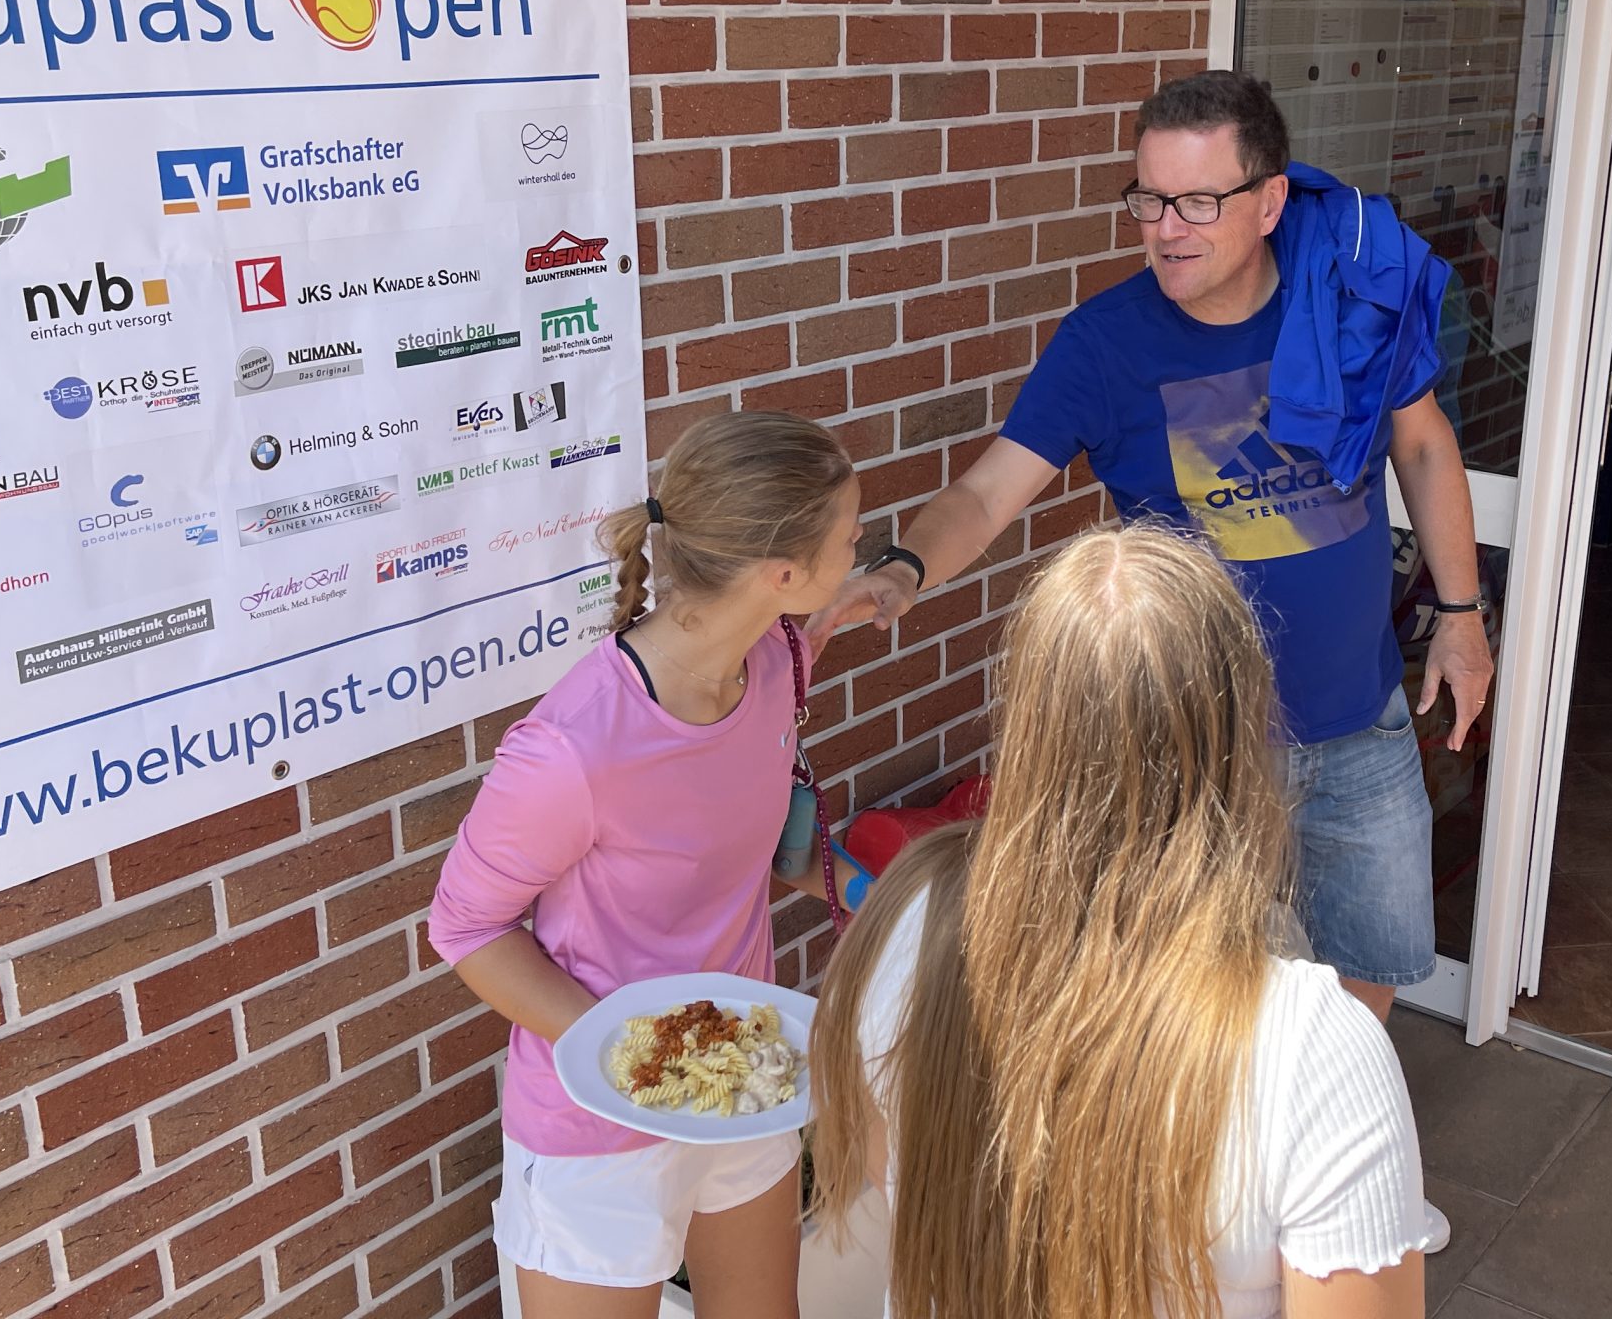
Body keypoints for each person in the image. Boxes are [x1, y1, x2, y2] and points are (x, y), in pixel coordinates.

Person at [812, 70, 1485, 1253]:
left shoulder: (1346, 296)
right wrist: (906, 568)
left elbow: (1423, 449)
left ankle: (1344, 1168)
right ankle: (1219, 1215)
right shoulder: (1106, 344)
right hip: (1201, 747)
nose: (1166, 228)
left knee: (1366, 967)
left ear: (1268, 202)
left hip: (1359, 716)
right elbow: (988, 491)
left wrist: (1464, 616)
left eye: (1197, 202)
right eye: (1147, 199)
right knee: (1209, 991)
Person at [807, 524, 1433, 1319]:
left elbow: (878, 1160)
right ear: (1243, 734)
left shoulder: (904, 913)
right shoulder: (1315, 1049)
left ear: (1028, 718)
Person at [426, 410, 860, 1319]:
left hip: (745, 1081)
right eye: (850, 536)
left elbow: (755, 829)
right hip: (598, 1128)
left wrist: (873, 891)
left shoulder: (777, 658)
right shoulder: (571, 750)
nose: (859, 546)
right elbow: (464, 926)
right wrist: (623, 1057)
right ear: (782, 574)